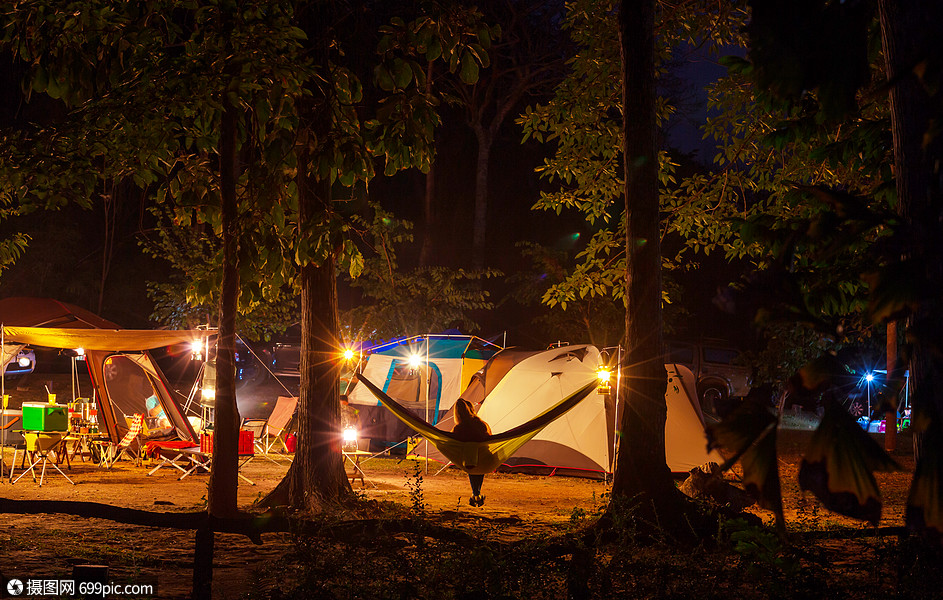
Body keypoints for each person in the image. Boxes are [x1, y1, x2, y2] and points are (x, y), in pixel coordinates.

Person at [452, 398, 491, 507]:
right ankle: (476, 495)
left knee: (473, 469)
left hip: (470, 458)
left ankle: (476, 494)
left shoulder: (459, 427)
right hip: (484, 456)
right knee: (479, 470)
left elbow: (454, 440)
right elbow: (488, 436)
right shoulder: (480, 423)